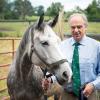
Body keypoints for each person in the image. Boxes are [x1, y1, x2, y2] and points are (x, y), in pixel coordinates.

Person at [42, 13, 100, 100]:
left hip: (89, 95)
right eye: (73, 27)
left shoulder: (97, 47)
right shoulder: (62, 46)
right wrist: (49, 80)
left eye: (79, 27)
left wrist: (93, 85)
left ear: (85, 27)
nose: (76, 30)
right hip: (67, 95)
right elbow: (58, 72)